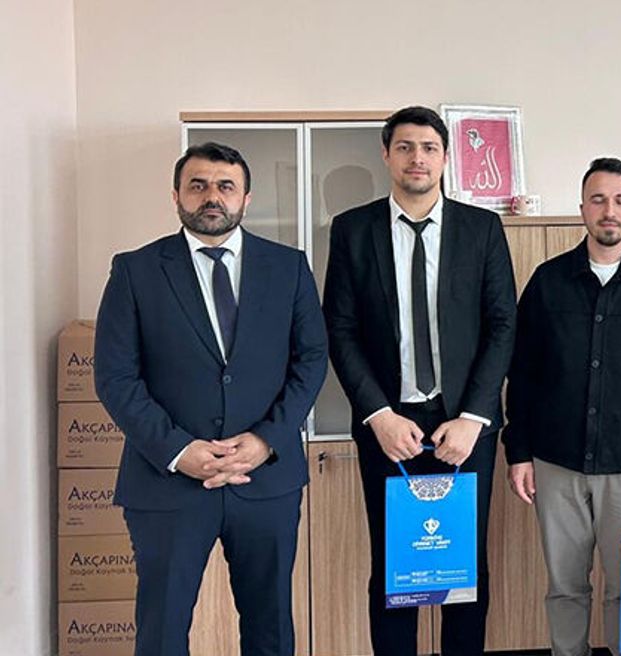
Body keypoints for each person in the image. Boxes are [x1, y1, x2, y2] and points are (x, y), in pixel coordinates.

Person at [94, 142, 328, 656]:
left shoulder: (288, 267)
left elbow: (311, 360)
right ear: (176, 195)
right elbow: (115, 377)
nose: (212, 197)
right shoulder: (135, 270)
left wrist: (266, 440)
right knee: (161, 632)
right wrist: (179, 451)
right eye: (197, 185)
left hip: (266, 480)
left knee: (270, 629)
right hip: (167, 483)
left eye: (226, 186)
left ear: (246, 198)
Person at [323, 106, 517, 655]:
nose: (418, 158)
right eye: (405, 147)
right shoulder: (353, 230)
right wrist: (378, 414)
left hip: (465, 426)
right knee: (395, 566)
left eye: (429, 148)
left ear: (445, 158)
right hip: (389, 425)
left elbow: (503, 324)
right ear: (386, 155)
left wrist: (474, 417)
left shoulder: (481, 228)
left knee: (464, 565)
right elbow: (340, 328)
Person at [504, 157, 621, 656]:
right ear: (582, 207)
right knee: (565, 587)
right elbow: (522, 373)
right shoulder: (547, 282)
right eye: (599, 199)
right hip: (555, 462)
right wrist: (518, 452)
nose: (610, 210)